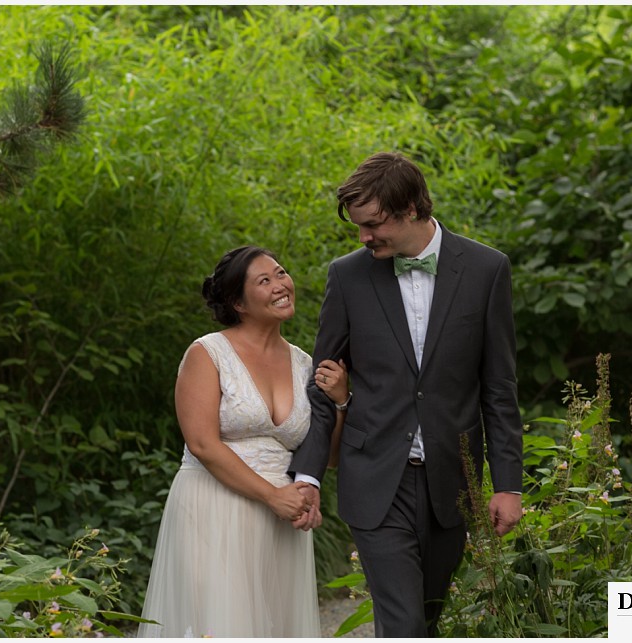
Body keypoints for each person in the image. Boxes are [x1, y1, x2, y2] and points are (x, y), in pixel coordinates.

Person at [290, 152, 524, 637]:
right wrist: (309, 473)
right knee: (403, 623)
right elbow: (322, 384)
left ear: (413, 207)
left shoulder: (486, 269)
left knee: (427, 617)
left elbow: (498, 389)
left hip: (450, 480)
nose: (364, 237)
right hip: (375, 477)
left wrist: (508, 484)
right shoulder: (347, 276)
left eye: (373, 225)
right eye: (358, 227)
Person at [138, 245, 349, 638]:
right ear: (238, 302)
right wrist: (273, 496)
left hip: (282, 519)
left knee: (275, 625)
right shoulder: (207, 353)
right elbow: (202, 443)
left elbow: (331, 456)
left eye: (281, 273)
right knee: (219, 624)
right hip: (215, 508)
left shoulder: (305, 363)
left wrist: (340, 401)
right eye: (264, 281)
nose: (280, 285)